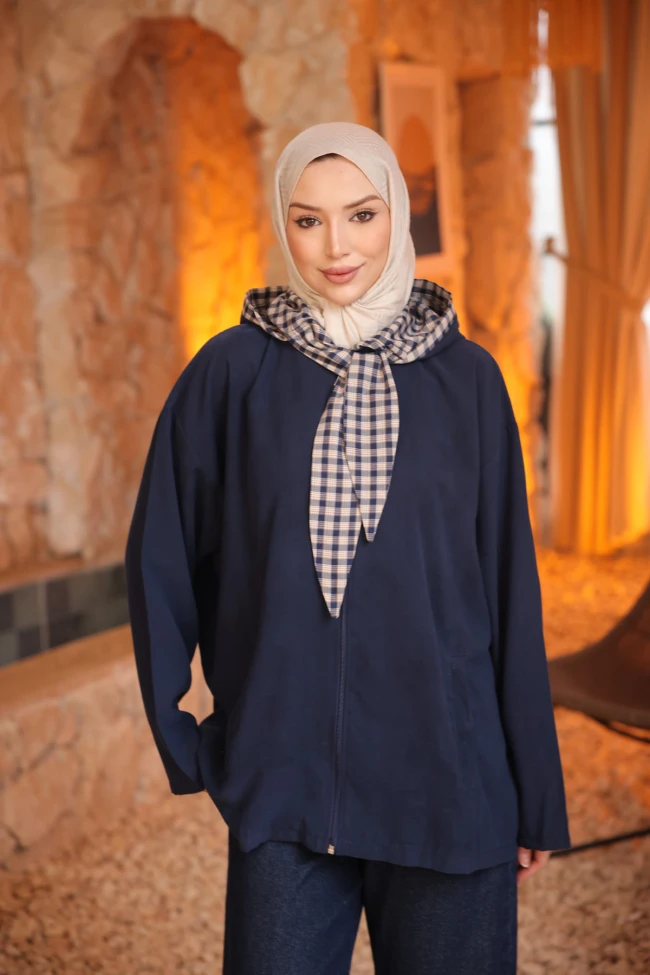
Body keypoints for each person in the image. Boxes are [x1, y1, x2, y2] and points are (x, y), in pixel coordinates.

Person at [125, 122, 571, 974]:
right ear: (283, 225)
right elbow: (160, 560)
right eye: (309, 220)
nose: (337, 246)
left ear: (397, 212)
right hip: (285, 792)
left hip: (451, 786)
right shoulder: (231, 374)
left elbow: (511, 594)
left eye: (361, 214)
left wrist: (535, 794)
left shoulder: (469, 379)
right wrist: (188, 740)